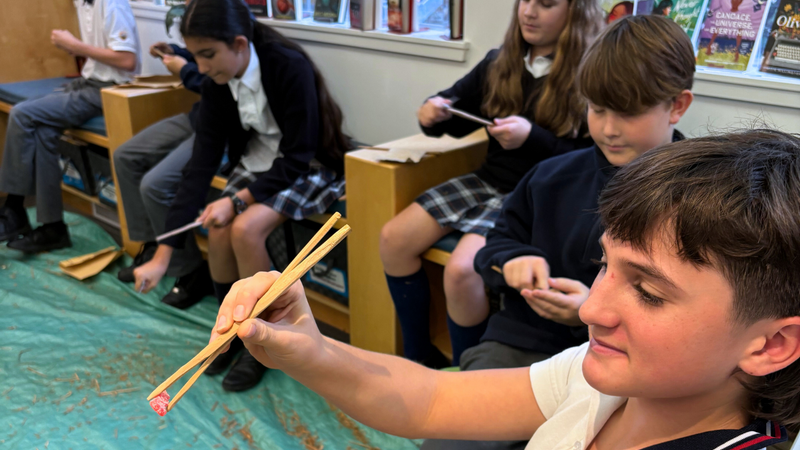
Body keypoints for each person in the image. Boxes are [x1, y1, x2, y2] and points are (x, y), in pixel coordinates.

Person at [215, 128, 800, 448]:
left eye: (648, 292)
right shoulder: (604, 378)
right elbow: (433, 400)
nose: (593, 307)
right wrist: (306, 345)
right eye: (605, 265)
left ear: (771, 345)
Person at [418, 15, 693, 449]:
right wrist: (512, 261)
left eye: (627, 112)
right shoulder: (550, 176)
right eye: (597, 109)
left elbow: (692, 313)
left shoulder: (698, 200)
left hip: (630, 365)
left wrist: (594, 310)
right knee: (455, 437)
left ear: (677, 105)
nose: (607, 128)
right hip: (523, 344)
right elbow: (496, 246)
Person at [139, 0, 350, 392]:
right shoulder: (218, 80)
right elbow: (200, 164)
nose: (199, 67)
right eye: (195, 55)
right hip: (261, 162)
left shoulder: (288, 65)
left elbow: (300, 154)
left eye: (207, 54)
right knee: (217, 229)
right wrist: (161, 255)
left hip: (306, 165)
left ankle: (263, 341)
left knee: (244, 230)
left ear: (238, 43)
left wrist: (239, 201)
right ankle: (229, 335)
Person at [379, 0, 603, 368]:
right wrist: (433, 111)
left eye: (546, 4)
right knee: (393, 239)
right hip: (486, 182)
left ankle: (466, 368)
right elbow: (455, 111)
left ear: (576, 13)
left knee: (461, 272)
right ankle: (418, 353)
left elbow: (589, 157)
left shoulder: (588, 72)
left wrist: (532, 137)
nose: (529, 12)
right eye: (525, 1)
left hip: (535, 196)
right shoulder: (500, 61)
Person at [0, 0, 140, 253]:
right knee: (42, 131)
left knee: (22, 114)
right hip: (88, 84)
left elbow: (128, 61)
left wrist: (75, 46)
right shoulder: (82, 3)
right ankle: (53, 228)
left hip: (108, 91)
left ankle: (13, 208)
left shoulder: (112, 4)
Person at [113, 36, 214, 309]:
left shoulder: (238, 37)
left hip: (220, 128)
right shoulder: (211, 37)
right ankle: (152, 248)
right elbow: (204, 61)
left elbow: (218, 86)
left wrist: (183, 69)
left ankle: (189, 269)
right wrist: (177, 52)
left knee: (155, 184)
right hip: (198, 116)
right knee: (125, 156)